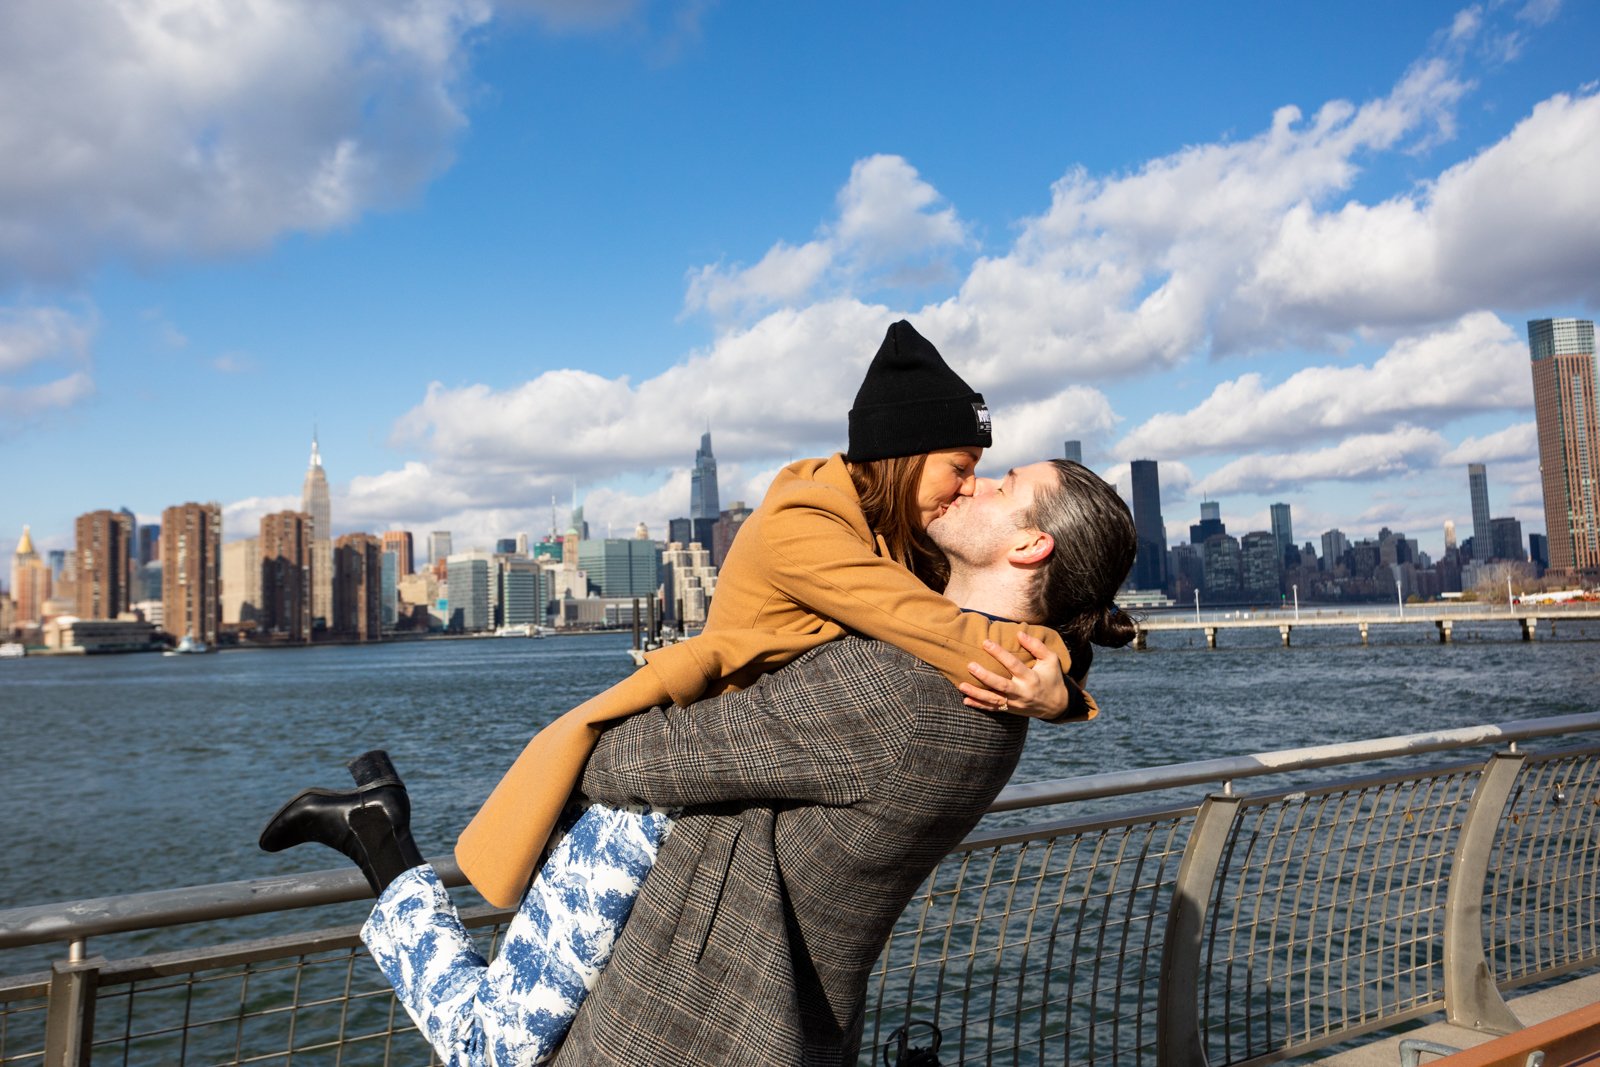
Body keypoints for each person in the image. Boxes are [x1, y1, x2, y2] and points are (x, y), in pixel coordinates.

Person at [262, 458, 1138, 1066]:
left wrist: (632, 711)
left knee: (488, 1042)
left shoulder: (905, 691)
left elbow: (637, 760)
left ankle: (382, 845)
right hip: (745, 1002)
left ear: (1030, 547)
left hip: (695, 1020)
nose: (978, 480)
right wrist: (1065, 680)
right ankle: (381, 842)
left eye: (1006, 485)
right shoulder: (988, 682)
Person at [455, 321, 1099, 913]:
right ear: (905, 454)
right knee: (514, 1024)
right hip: (657, 803)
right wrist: (1056, 694)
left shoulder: (893, 534)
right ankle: (391, 862)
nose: (969, 486)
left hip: (723, 792)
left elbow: (1002, 615)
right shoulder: (804, 525)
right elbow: (936, 627)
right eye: (960, 467)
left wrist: (1058, 678)